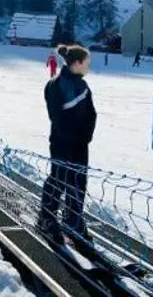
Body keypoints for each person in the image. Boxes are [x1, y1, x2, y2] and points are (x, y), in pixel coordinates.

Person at [39, 45, 97, 248]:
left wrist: (86, 137)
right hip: (62, 142)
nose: (89, 67)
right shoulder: (55, 85)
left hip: (81, 145)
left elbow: (92, 114)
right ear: (78, 62)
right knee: (59, 178)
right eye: (87, 63)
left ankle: (73, 220)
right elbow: (57, 117)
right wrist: (72, 137)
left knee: (78, 181)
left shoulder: (83, 86)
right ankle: (47, 217)